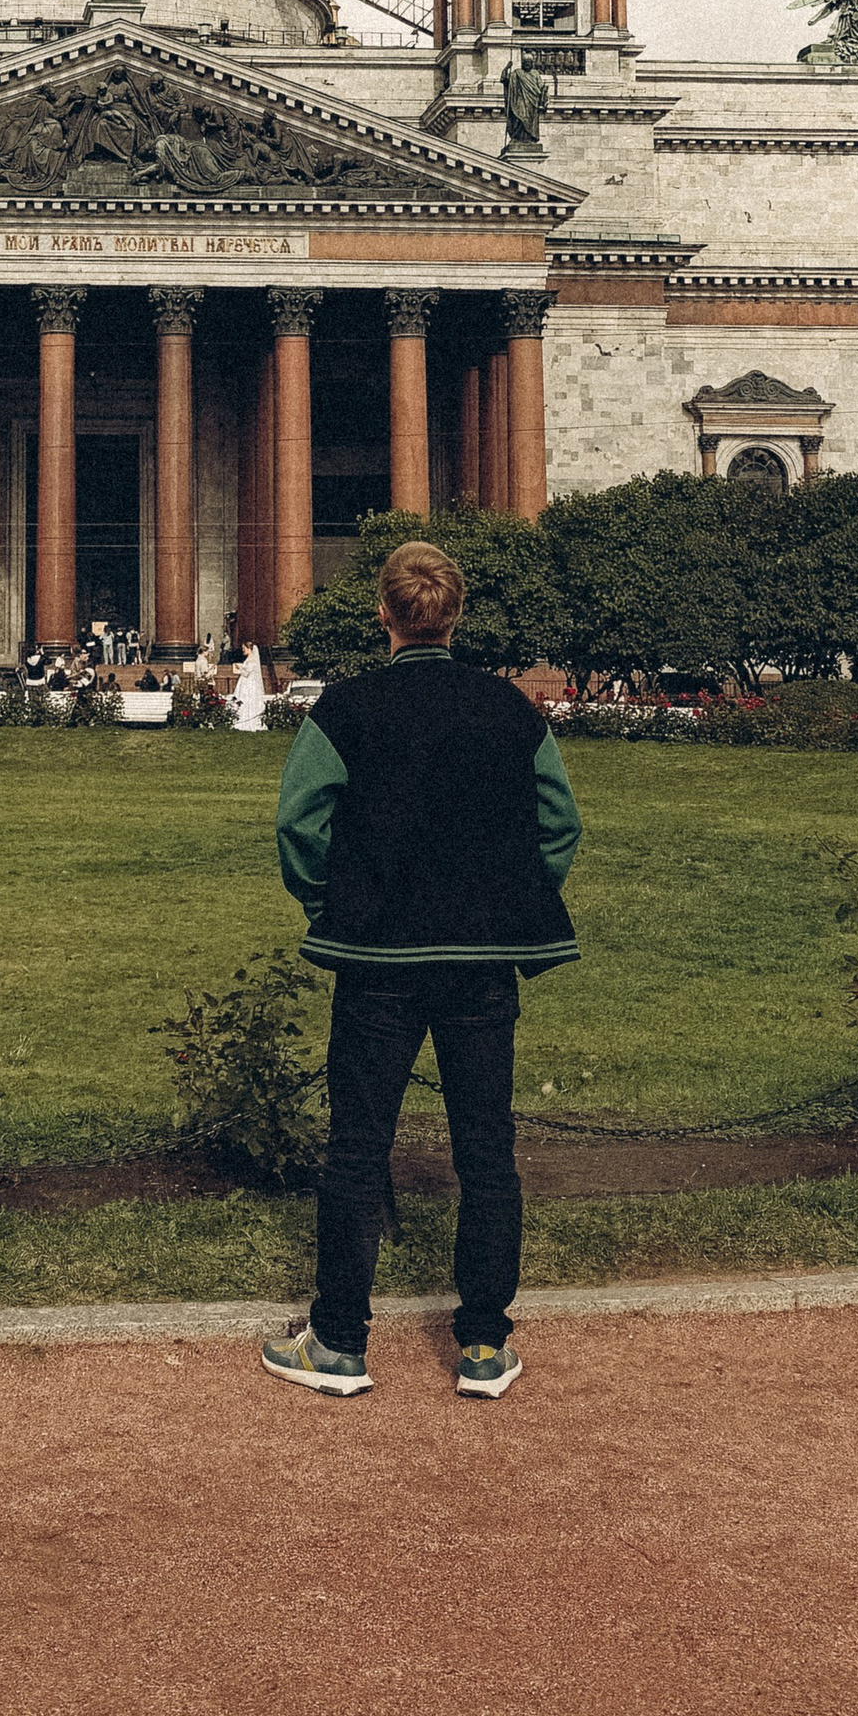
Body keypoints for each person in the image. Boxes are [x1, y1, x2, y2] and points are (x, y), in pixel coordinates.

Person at [263, 541, 581, 1404]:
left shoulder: (347, 707)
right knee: (487, 1149)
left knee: (357, 1148)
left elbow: (298, 827)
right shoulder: (510, 708)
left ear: (384, 614)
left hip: (378, 959)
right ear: (456, 615)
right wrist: (510, 898)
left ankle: (339, 1342)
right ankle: (482, 1344)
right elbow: (559, 825)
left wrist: (333, 903)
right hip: (481, 963)